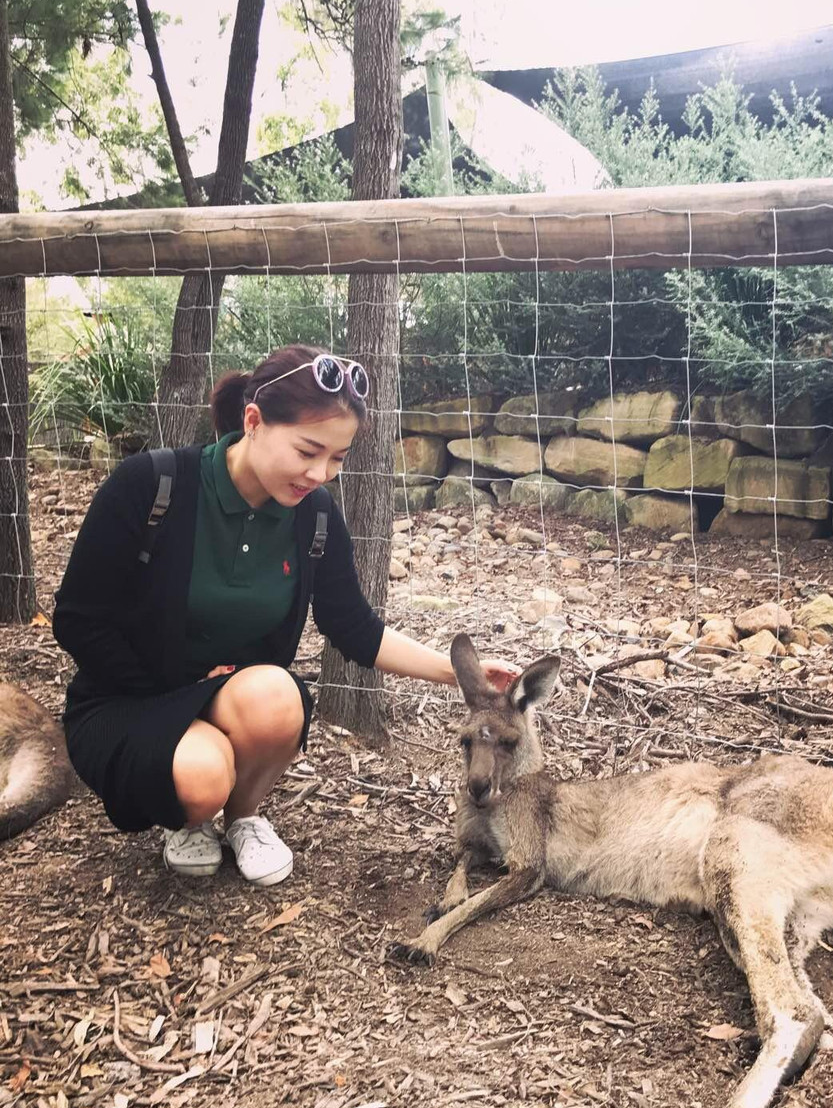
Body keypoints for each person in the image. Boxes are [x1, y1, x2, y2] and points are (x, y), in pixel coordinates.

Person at [53, 344, 516, 887]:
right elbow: (78, 620)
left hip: (232, 698)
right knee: (202, 779)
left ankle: (243, 816)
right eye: (307, 450)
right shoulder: (151, 486)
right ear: (253, 421)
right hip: (128, 697)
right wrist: (171, 686)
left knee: (278, 694)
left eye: (338, 458)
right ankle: (190, 815)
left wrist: (465, 675)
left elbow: (354, 627)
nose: (320, 473)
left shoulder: (314, 517)